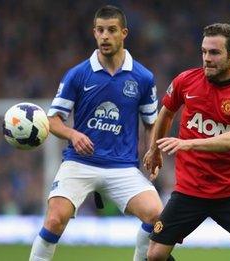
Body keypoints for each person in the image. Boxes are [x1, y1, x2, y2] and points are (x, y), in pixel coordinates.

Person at [29, 5, 166, 261]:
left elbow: (151, 122)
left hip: (122, 166)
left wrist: (153, 150)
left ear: (123, 33)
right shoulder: (78, 74)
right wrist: (73, 135)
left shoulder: (143, 77)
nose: (105, 36)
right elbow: (53, 120)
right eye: (100, 30)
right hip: (80, 163)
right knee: (55, 219)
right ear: (94, 33)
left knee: (157, 216)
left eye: (112, 30)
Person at [143, 23, 230, 261]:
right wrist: (154, 149)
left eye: (215, 52)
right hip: (190, 188)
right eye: (204, 51)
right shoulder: (185, 81)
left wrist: (188, 143)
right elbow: (166, 113)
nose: (207, 58)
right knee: (155, 254)